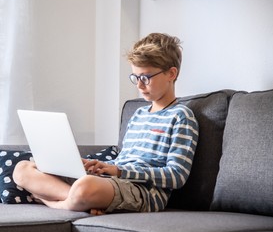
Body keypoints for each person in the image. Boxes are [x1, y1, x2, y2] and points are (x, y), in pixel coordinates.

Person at [13, 33, 199, 214]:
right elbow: (123, 160)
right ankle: (77, 199)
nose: (139, 85)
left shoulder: (181, 116)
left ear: (171, 74)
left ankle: (56, 201)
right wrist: (99, 166)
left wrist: (118, 171)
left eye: (146, 77)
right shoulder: (138, 114)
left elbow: (176, 176)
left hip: (144, 191)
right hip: (111, 180)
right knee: (23, 169)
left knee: (86, 186)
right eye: (135, 77)